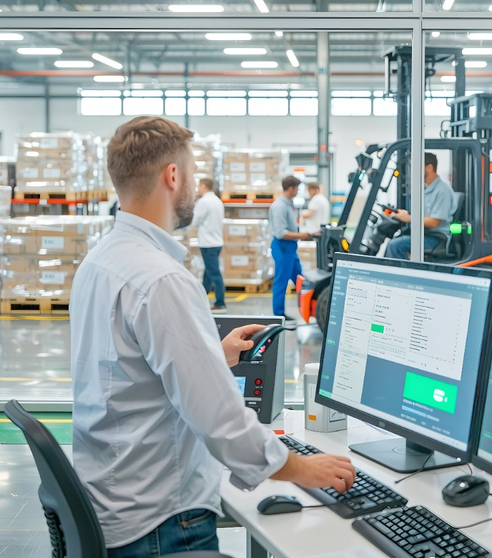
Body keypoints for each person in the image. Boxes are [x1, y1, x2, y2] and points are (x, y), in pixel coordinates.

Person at [69, 116, 355, 558]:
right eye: (192, 172)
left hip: (111, 501)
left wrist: (210, 358)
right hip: (162, 523)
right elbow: (220, 422)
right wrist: (302, 468)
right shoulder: (161, 280)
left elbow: (122, 376)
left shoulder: (99, 262)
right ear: (173, 175)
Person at [384, 152, 456, 259]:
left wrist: (408, 218)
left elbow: (434, 222)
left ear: (429, 167)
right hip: (424, 233)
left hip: (436, 237)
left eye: (416, 167)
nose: (413, 171)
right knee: (393, 242)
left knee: (395, 246)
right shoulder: (426, 189)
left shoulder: (442, 191)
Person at [269, 176, 313, 321]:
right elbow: (281, 233)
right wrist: (302, 235)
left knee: (299, 278)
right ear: (291, 188)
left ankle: (308, 308)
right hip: (283, 247)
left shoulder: (287, 204)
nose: (297, 191)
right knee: (281, 280)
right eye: (297, 188)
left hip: (290, 248)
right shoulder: (280, 206)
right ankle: (278, 314)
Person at [191, 177, 226, 313]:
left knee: (214, 273)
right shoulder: (217, 201)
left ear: (204, 186)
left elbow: (194, 221)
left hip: (208, 243)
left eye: (199, 186)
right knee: (208, 274)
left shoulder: (203, 202)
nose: (198, 189)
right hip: (217, 242)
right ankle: (201, 300)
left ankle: (220, 302)